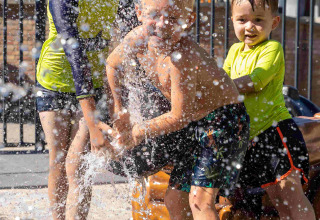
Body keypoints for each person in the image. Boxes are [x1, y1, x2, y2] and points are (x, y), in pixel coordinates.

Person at [97, 0, 250, 219]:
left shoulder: (182, 58)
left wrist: (137, 132)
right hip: (195, 123)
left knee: (200, 201)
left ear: (189, 20)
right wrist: (120, 110)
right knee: (175, 199)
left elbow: (179, 116)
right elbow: (113, 64)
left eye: (172, 18)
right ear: (139, 13)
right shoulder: (137, 38)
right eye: (154, 15)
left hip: (224, 121)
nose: (162, 25)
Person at [223, 0, 316, 219]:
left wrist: (218, 86)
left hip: (276, 133)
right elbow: (223, 81)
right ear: (232, 22)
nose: (249, 26)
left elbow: (256, 80)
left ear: (274, 23)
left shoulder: (272, 49)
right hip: (252, 138)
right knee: (278, 201)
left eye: (258, 20)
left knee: (292, 198)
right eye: (242, 20)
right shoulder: (234, 51)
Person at [36, 0, 119, 219]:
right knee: (58, 158)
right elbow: (75, 52)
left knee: (79, 164)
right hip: (55, 83)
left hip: (94, 84)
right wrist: (93, 124)